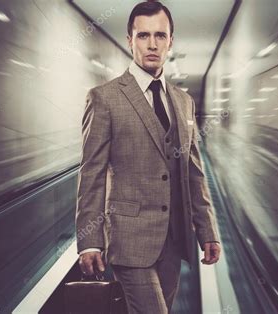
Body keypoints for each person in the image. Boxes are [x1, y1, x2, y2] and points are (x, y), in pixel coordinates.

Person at [76, 1, 221, 312]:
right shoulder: (105, 98)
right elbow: (92, 173)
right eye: (143, 36)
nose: (152, 44)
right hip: (129, 240)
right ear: (130, 40)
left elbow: (193, 172)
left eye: (160, 35)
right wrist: (90, 240)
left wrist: (207, 230)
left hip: (173, 240)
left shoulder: (183, 102)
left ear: (171, 40)